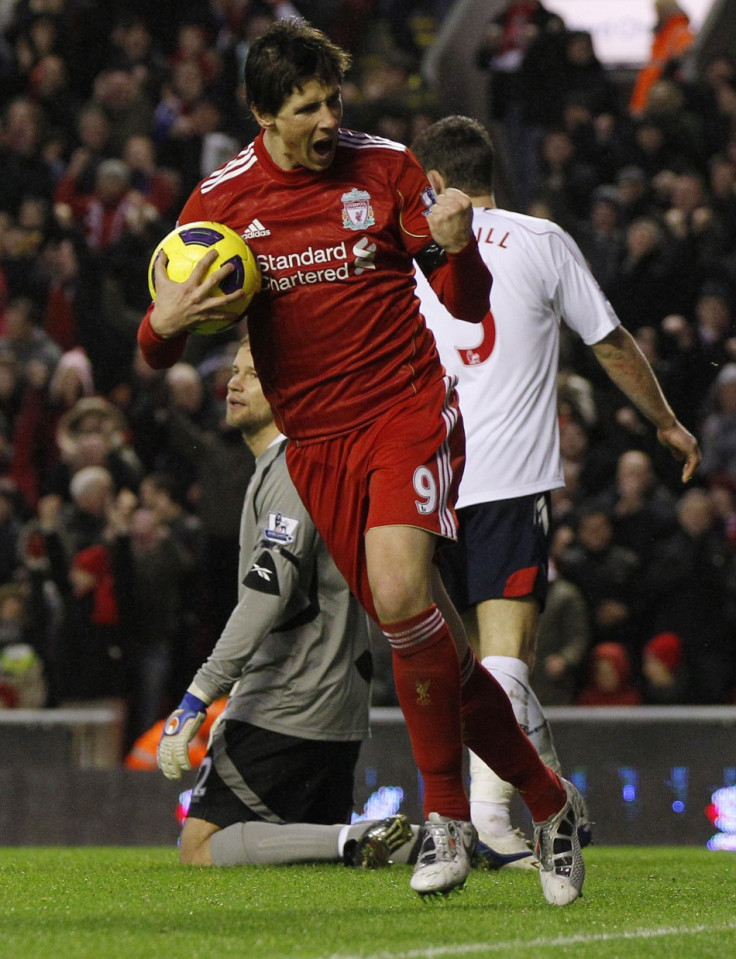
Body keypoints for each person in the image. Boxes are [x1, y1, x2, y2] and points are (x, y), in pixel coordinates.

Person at [137, 20, 586, 906]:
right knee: (429, 638)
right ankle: (549, 798)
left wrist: (457, 247)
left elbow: (463, 304)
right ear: (262, 113)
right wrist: (167, 322)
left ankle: (446, 818)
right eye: (306, 108)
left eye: (333, 101)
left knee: (395, 594)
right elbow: (153, 347)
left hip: (408, 409)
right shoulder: (220, 203)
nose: (327, 120)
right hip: (320, 443)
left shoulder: (384, 168)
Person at [410, 115, 700, 867]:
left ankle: (513, 803)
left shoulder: (408, 252)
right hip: (508, 476)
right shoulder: (541, 241)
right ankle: (493, 815)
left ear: (435, 182)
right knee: (505, 654)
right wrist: (666, 423)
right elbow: (608, 342)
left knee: (461, 660)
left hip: (424, 476)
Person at [156, 337, 420, 871]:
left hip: (287, 698)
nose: (233, 383)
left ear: (291, 391)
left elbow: (267, 594)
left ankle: (361, 837)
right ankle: (445, 845)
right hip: (332, 698)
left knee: (199, 848)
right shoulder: (298, 466)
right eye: (234, 371)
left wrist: (197, 695)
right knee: (317, 854)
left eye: (252, 375)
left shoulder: (292, 469)